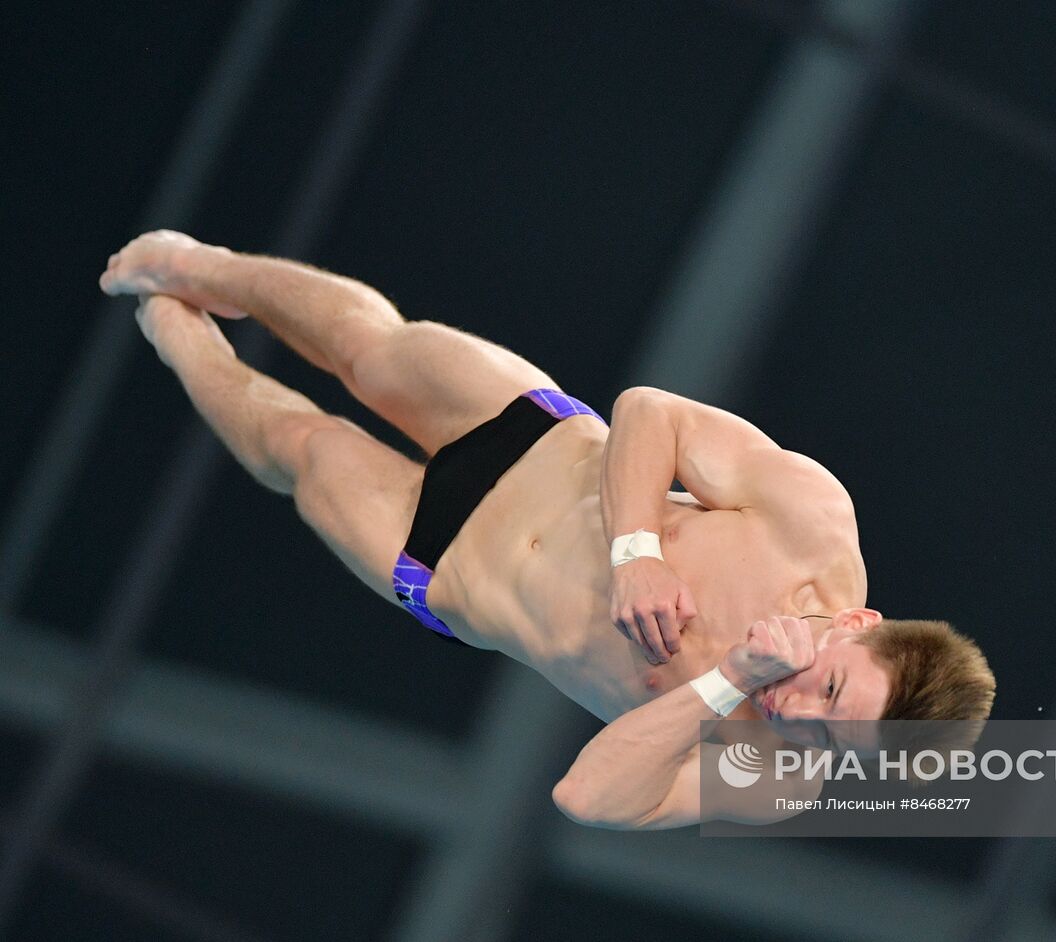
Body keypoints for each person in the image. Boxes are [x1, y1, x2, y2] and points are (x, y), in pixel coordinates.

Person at [99, 230, 995, 829]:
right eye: (832, 695)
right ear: (857, 627)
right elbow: (652, 412)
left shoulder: (782, 780)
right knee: (370, 349)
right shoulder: (812, 525)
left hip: (448, 567)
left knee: (305, 447)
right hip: (533, 438)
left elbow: (591, 799)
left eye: (831, 739)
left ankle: (181, 341)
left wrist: (727, 683)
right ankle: (202, 268)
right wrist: (636, 551)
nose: (800, 716)